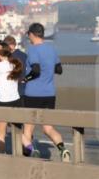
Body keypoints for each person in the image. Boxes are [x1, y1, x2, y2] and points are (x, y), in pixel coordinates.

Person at [21, 22, 70, 161]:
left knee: (28, 128)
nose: (28, 37)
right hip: (49, 94)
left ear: (32, 34)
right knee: (48, 128)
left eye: (28, 35)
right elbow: (59, 70)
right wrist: (47, 69)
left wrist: (25, 79)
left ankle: (31, 150)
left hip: (33, 94)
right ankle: (63, 150)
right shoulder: (52, 49)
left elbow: (35, 70)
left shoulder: (32, 49)